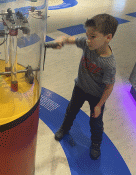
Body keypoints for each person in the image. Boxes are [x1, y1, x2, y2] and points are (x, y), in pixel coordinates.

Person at [51, 13, 118, 160]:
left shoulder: (109, 64)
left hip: (97, 96)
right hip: (80, 88)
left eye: (93, 36)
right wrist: (63, 39)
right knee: (71, 111)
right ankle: (64, 128)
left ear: (108, 37)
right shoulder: (88, 44)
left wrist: (100, 105)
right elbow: (74, 40)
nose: (88, 40)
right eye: (87, 35)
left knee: (95, 122)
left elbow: (109, 87)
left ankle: (95, 143)